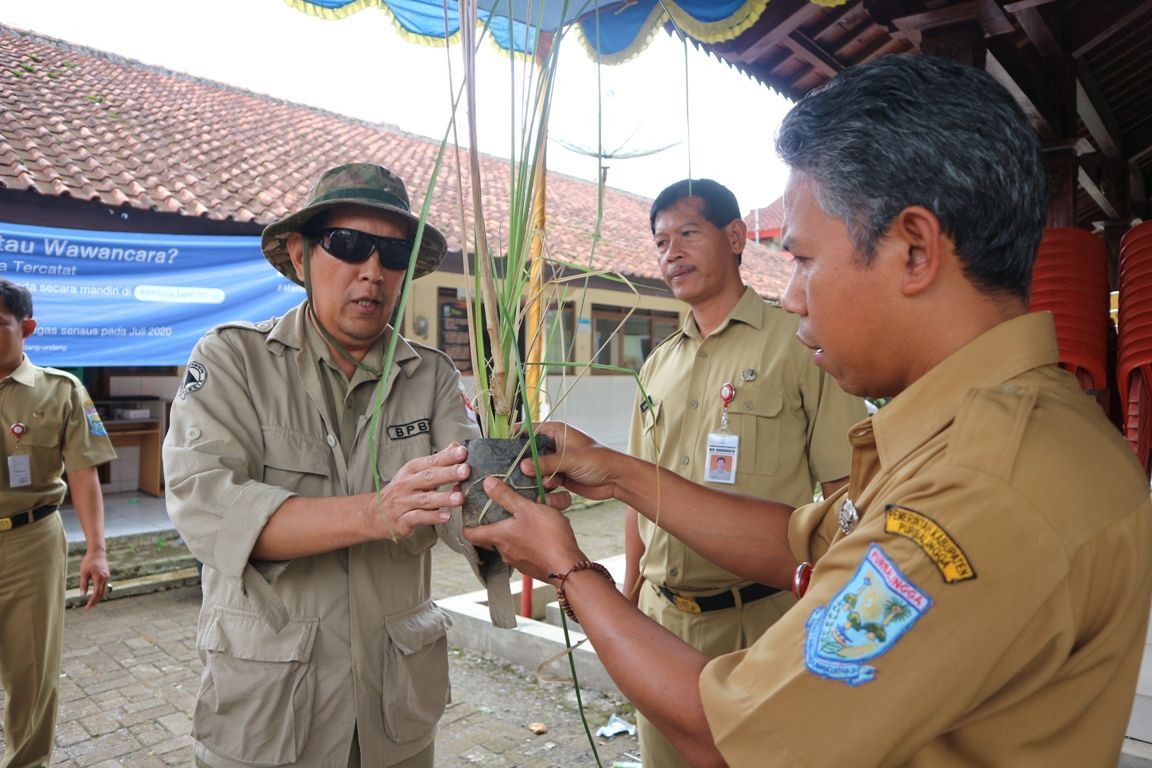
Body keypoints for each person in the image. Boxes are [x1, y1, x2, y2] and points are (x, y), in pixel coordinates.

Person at [464, 54, 1152, 767]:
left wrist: (571, 572)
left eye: (802, 259)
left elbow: (732, 736)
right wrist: (613, 473)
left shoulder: (985, 488)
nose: (791, 296)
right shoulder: (974, 432)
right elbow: (802, 540)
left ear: (914, 250)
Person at [163, 163, 482, 768]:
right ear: (300, 253)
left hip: (394, 707)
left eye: (392, 254)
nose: (373, 271)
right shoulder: (233, 360)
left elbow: (465, 506)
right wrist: (376, 511)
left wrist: (517, 499)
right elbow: (206, 507)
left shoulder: (433, 376)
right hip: (273, 708)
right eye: (348, 245)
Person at [627, 178, 865, 766]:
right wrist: (630, 593)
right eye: (660, 243)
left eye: (687, 233)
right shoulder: (657, 365)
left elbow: (847, 494)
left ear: (735, 237)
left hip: (760, 622)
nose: (671, 254)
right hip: (661, 622)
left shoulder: (801, 340)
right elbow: (634, 490)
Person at [0, 278, 114, 768]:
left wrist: (97, 549)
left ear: (26, 328)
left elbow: (84, 474)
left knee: (31, 673)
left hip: (30, 541)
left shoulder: (61, 390)